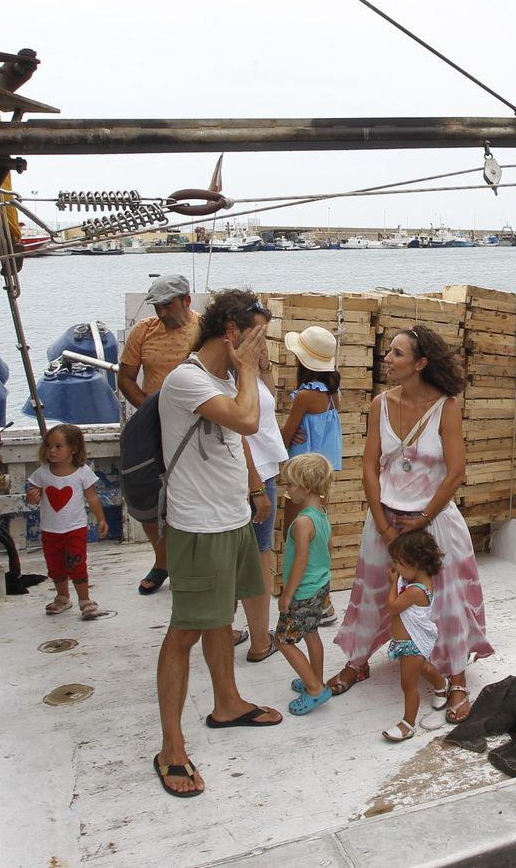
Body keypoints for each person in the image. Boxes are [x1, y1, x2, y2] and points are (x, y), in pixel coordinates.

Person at [325, 326, 491, 726]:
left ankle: (456, 680)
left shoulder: (446, 407)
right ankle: (357, 661)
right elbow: (368, 465)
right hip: (385, 518)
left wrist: (420, 520)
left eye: (397, 354)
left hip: (433, 523)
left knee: (446, 600)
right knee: (372, 591)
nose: (388, 359)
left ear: (420, 363)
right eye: (388, 352)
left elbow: (455, 473)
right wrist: (384, 526)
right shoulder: (379, 403)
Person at [152, 289, 281, 799]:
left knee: (220, 619)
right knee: (186, 629)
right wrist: (248, 369)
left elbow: (239, 438)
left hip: (232, 519)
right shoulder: (186, 379)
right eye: (255, 337)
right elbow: (248, 419)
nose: (261, 349)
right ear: (231, 333)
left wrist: (254, 489)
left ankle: (226, 702)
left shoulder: (221, 379)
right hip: (199, 527)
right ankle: (170, 746)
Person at [118, 274, 201, 596]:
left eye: (168, 306)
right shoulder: (143, 331)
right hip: (153, 427)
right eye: (157, 307)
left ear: (186, 301)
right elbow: (125, 377)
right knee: (143, 495)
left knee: (189, 498)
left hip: (196, 429)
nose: (163, 313)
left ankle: (191, 565)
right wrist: (150, 409)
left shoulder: (204, 330)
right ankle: (162, 560)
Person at [280, 323, 343, 627]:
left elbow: (286, 435)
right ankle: (325, 601)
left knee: (294, 535)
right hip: (321, 473)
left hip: (301, 473)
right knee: (319, 532)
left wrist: (284, 436)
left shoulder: (305, 395)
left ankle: (307, 599)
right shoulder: (333, 394)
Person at [238, 299, 285, 663]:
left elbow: (272, 398)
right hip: (253, 476)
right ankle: (259, 640)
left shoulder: (249, 370)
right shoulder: (230, 377)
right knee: (258, 551)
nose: (262, 338)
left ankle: (243, 631)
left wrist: (263, 362)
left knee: (252, 551)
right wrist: (257, 488)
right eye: (258, 332)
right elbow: (238, 434)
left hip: (265, 469)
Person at [275, 452, 335, 717]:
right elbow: (328, 548)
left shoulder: (301, 522)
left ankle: (313, 688)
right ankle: (315, 679)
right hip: (320, 587)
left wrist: (288, 595)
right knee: (311, 634)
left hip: (302, 591)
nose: (287, 489)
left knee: (283, 641)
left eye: (289, 484)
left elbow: (299, 562)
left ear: (306, 487)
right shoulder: (321, 514)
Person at [26, 423, 107, 619]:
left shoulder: (82, 472)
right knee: (55, 566)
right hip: (50, 530)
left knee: (77, 563)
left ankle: (85, 599)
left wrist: (101, 519)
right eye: (48, 446)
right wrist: (32, 497)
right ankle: (63, 597)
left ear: (74, 449)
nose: (51, 451)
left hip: (75, 529)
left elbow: (92, 497)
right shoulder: (42, 473)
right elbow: (31, 497)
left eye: (58, 446)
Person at [379, 529, 451, 743]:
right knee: (423, 667)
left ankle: (407, 724)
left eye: (399, 563)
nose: (395, 568)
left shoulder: (415, 591)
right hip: (407, 642)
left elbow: (392, 607)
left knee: (408, 684)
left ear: (415, 563)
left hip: (413, 642)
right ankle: (441, 685)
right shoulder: (420, 579)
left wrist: (393, 583)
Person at [281, 325, 343, 468]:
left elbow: (285, 439)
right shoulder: (332, 390)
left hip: (303, 468)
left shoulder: (305, 396)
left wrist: (286, 431)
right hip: (323, 468)